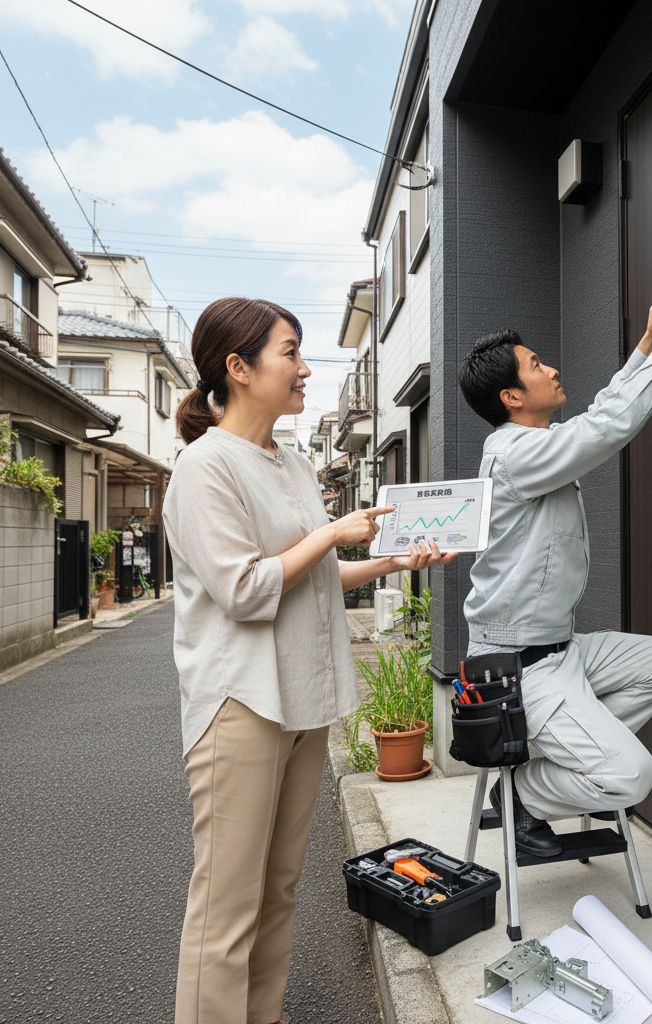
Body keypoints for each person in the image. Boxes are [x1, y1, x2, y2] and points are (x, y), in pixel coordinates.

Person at [164, 297, 454, 1024]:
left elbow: (308, 575)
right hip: (240, 704)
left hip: (298, 697)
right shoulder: (204, 468)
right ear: (238, 367)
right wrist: (331, 537)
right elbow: (244, 588)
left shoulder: (290, 461)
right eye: (290, 352)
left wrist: (388, 561)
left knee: (280, 887)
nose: (304, 368)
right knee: (226, 904)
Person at [457, 286, 652, 856]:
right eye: (536, 365)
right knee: (633, 776)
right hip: (516, 669)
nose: (553, 369)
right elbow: (607, 428)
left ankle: (568, 759)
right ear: (512, 396)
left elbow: (598, 416)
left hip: (559, 649)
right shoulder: (514, 453)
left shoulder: (535, 442)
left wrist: (647, 341)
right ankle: (524, 794)